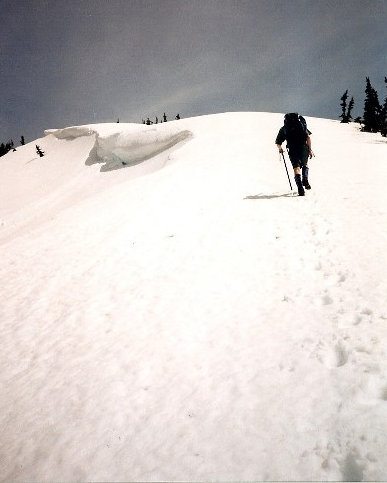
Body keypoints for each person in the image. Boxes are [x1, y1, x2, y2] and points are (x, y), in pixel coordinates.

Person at [275, 113, 314, 196]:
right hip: (303, 147)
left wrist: (280, 149)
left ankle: (300, 188)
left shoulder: (284, 128)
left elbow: (278, 142)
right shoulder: (301, 125)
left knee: (296, 167)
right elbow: (308, 137)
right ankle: (305, 178)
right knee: (305, 164)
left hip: (292, 148)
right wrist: (309, 149)